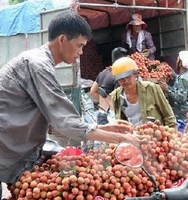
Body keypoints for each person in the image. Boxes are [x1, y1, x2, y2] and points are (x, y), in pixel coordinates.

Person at [0, 11, 143, 191]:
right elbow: (64, 122)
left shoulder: (40, 62)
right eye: (79, 46)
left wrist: (101, 129)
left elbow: (54, 120)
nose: (81, 52)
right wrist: (122, 138)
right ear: (62, 39)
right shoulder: (38, 65)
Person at [110, 57, 176, 127]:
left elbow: (169, 116)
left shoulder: (151, 88)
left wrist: (172, 134)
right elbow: (119, 121)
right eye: (121, 78)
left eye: (128, 77)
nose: (125, 81)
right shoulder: (116, 96)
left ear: (135, 74)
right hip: (133, 135)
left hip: (154, 135)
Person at [159, 51, 188, 123]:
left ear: (181, 63)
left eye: (177, 60)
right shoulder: (185, 75)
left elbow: (180, 98)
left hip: (183, 115)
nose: (176, 61)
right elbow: (178, 80)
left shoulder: (184, 78)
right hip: (184, 112)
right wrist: (171, 71)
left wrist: (167, 88)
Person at [89, 47, 129, 112]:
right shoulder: (119, 77)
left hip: (101, 112)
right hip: (112, 114)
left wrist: (105, 101)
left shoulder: (103, 72)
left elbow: (92, 92)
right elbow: (119, 99)